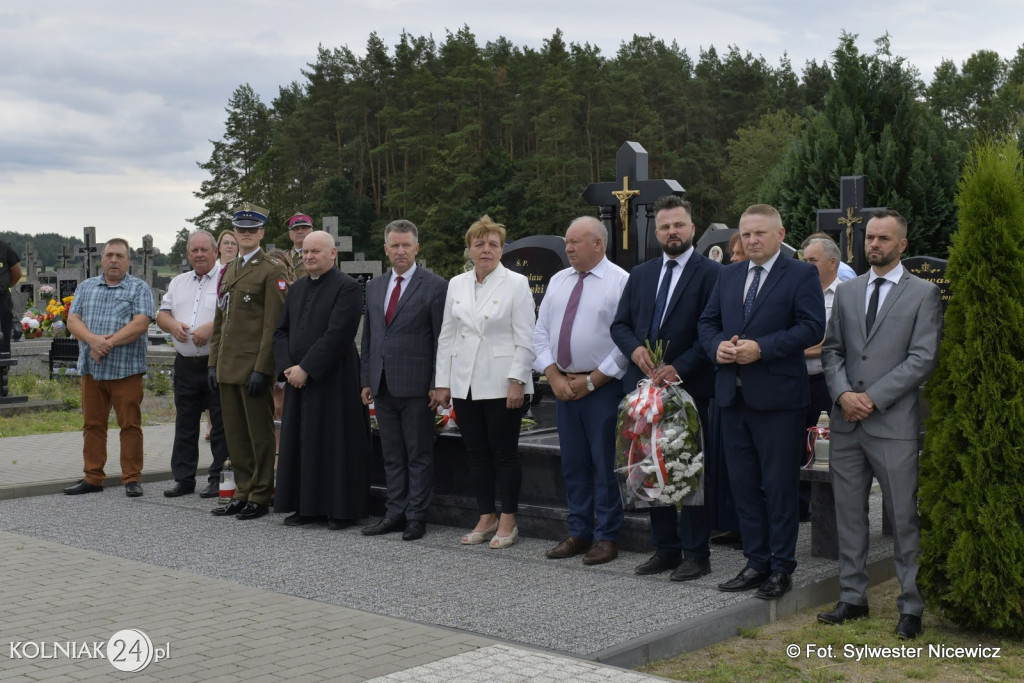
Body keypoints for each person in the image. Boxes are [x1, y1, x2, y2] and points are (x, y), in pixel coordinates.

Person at [819, 210, 942, 640]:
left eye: (884, 239)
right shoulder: (848, 292)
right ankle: (853, 597)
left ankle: (911, 605)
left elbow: (922, 358)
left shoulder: (923, 294)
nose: (874, 244)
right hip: (847, 423)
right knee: (849, 515)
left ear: (902, 244)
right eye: (870, 237)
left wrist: (871, 397)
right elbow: (832, 351)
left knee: (904, 517)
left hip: (892, 423)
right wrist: (842, 394)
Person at [697, 204, 825, 599]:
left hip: (778, 401)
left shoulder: (801, 274)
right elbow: (708, 322)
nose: (751, 240)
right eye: (746, 233)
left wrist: (762, 349)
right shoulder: (729, 274)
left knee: (779, 486)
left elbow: (811, 326)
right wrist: (717, 347)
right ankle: (755, 562)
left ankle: (781, 567)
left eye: (760, 233)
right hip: (732, 397)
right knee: (744, 486)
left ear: (780, 234)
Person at [611, 196, 720, 579]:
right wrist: (636, 349)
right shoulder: (640, 274)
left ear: (692, 228)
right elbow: (620, 325)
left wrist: (680, 367)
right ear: (656, 231)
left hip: (690, 389)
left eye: (678, 225)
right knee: (648, 466)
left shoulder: (712, 274)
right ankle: (666, 548)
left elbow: (713, 330)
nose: (671, 232)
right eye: (664, 226)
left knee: (687, 469)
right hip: (644, 391)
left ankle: (696, 553)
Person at [434, 216, 536, 549]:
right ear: (469, 249)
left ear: (502, 249)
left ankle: (508, 518)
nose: (486, 250)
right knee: (475, 453)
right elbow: (447, 336)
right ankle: (485, 514)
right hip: (465, 382)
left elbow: (526, 337)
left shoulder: (516, 283)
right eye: (479, 244)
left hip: (503, 382)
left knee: (504, 453)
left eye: (493, 244)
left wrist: (518, 380)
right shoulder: (456, 284)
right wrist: (443, 382)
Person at [535, 216, 629, 565]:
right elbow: (540, 332)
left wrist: (592, 381)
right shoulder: (559, 281)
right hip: (564, 386)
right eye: (567, 243)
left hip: (602, 388)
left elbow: (624, 341)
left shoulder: (620, 282)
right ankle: (578, 531)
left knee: (605, 464)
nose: (569, 248)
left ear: (598, 244)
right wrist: (554, 377)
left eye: (576, 242)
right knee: (573, 464)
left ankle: (606, 537)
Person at [273, 231, 370, 529]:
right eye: (305, 251)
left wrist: (307, 369)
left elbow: (338, 334)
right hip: (298, 380)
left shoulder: (348, 288)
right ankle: (306, 506)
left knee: (335, 443)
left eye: (316, 251)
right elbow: (281, 331)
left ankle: (341, 510)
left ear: (332, 254)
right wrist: (288, 366)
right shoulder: (298, 287)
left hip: (335, 379)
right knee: (302, 442)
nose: (309, 256)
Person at [360, 220, 447, 541]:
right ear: (385, 249)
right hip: (382, 385)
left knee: (418, 454)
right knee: (392, 454)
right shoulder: (374, 287)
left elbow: (441, 338)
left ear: (416, 248)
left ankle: (416, 516)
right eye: (394, 245)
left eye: (406, 245)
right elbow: (370, 336)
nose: (400, 251)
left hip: (417, 387)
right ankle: (394, 512)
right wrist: (366, 379)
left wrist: (438, 384)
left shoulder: (435, 286)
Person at [208, 203, 289, 521]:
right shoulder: (229, 270)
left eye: (251, 230)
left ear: (261, 233)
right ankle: (242, 491)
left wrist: (263, 368)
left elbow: (273, 326)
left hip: (253, 367)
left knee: (259, 432)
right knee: (235, 433)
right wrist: (213, 363)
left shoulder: (271, 270)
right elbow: (220, 320)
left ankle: (260, 492)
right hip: (228, 366)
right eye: (240, 230)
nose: (245, 234)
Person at [63, 238, 154, 497]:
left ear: (128, 261)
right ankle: (92, 477)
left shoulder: (139, 288)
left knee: (130, 425)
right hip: (92, 370)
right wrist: (93, 340)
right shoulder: (86, 287)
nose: (114, 260)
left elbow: (140, 323)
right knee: (92, 424)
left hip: (125, 370)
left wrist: (107, 343)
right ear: (101, 259)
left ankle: (131, 478)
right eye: (109, 255)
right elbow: (73, 319)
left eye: (119, 256)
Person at [157, 230, 230, 498]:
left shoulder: (227, 277)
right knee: (185, 424)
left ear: (215, 251)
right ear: (188, 255)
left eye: (204, 250)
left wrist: (211, 328)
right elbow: (162, 315)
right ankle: (184, 479)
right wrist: (173, 325)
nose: (199, 255)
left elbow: (233, 313)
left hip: (217, 362)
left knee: (221, 425)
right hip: (186, 364)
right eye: (194, 251)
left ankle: (218, 478)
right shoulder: (178, 282)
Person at [799, 237, 842, 518]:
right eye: (804, 260)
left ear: (832, 263)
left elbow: (833, 343)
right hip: (798, 382)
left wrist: (791, 349)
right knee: (800, 445)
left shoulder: (844, 295)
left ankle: (828, 508)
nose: (806, 266)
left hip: (827, 383)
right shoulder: (800, 292)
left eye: (812, 261)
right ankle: (802, 507)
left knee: (826, 445)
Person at [0, 238, 22, 356]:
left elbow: (17, 272)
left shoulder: (5, 248)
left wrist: (6, 285)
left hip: (2, 299)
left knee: (3, 336)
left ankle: (2, 368)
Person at [286, 213, 313, 279]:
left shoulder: (321, 256)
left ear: (311, 232)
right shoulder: (282, 258)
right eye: (295, 228)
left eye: (304, 228)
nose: (300, 231)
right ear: (290, 234)